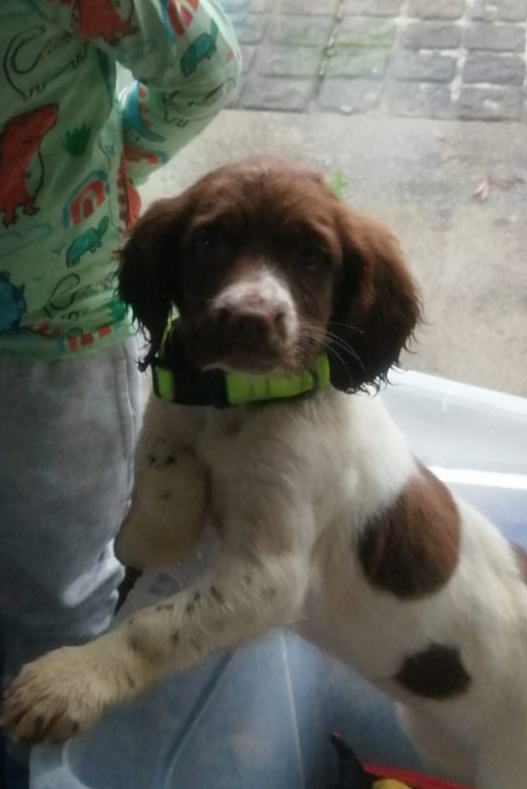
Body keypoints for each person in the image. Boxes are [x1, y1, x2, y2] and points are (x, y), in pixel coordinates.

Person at [0, 0, 240, 784]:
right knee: (53, 584)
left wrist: (115, 159)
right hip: (51, 321)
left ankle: (40, 762)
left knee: (59, 592)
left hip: (55, 335)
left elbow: (204, 65)